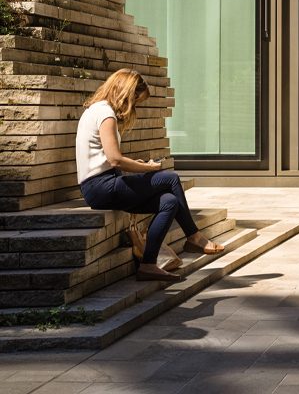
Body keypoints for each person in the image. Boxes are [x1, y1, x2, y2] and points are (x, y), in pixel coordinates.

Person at [75, 69, 223, 282]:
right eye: (135, 98)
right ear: (125, 91)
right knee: (169, 178)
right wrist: (148, 169)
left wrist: (138, 166)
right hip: (100, 186)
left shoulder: (97, 110)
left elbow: (110, 161)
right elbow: (115, 159)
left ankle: (149, 265)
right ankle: (194, 236)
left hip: (103, 184)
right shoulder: (105, 113)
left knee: (169, 202)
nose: (134, 104)